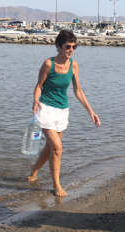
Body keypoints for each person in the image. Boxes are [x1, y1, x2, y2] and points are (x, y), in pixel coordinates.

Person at [28, 30, 100, 197]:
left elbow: (78, 91)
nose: (71, 50)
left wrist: (91, 112)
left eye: (74, 47)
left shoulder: (73, 65)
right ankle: (56, 186)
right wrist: (35, 100)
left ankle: (34, 169)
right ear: (59, 46)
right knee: (58, 148)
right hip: (45, 109)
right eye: (68, 46)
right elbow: (39, 85)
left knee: (51, 148)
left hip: (62, 111)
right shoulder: (49, 64)